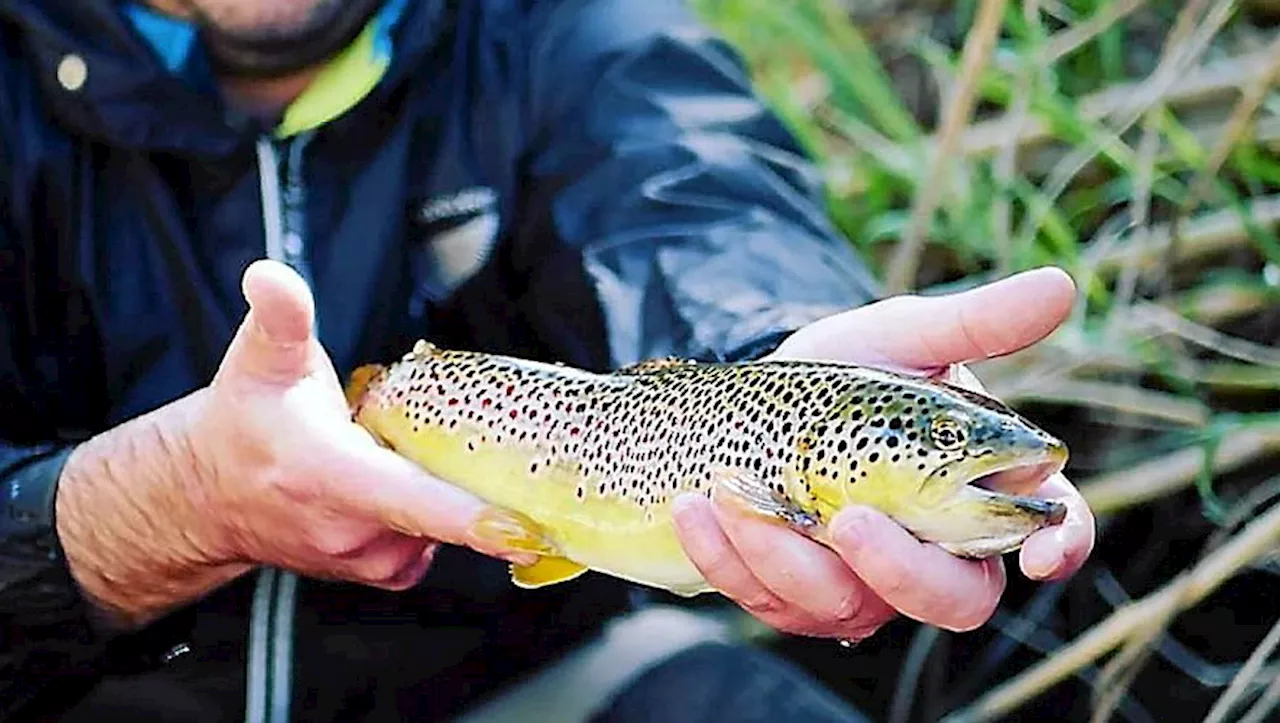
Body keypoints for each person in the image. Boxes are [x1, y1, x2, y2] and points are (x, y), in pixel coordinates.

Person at [0, 0, 1096, 720]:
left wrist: (785, 349)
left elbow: (697, 203)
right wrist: (160, 508)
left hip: (523, 681)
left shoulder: (566, 35)